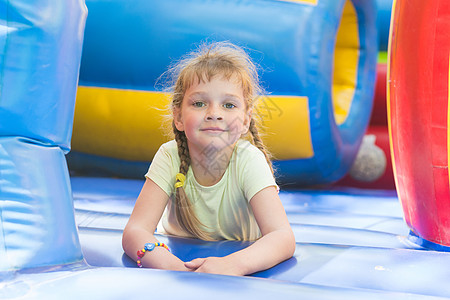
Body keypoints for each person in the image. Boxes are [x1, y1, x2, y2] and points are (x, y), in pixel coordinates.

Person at [122, 41, 295, 276]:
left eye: (229, 105)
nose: (214, 114)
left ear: (245, 120)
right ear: (178, 116)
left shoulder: (248, 160)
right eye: (199, 103)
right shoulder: (169, 155)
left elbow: (282, 237)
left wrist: (233, 264)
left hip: (236, 260)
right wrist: (174, 267)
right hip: (180, 259)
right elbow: (135, 230)